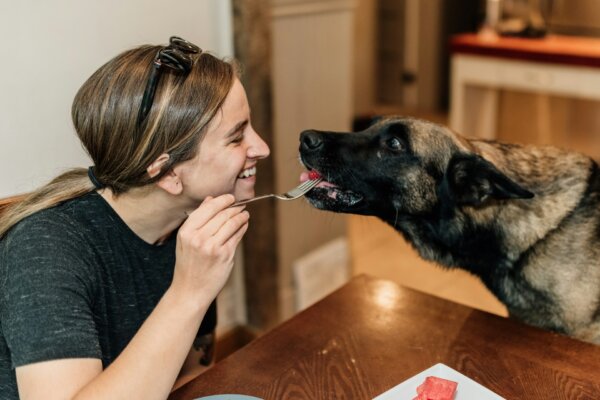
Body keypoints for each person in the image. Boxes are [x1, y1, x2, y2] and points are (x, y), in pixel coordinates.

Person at [0, 36, 270, 399]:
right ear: (167, 173)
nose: (262, 148)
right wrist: (190, 291)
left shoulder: (188, 224)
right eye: (237, 138)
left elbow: (191, 373)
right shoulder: (46, 248)